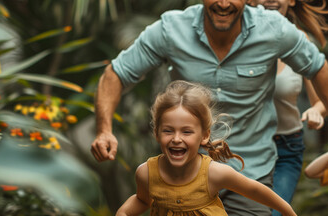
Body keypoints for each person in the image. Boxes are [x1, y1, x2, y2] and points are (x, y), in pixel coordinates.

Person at [91, 0, 328, 214]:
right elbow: (116, 73)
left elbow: (319, 69)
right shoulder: (171, 29)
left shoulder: (273, 30)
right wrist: (104, 129)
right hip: (183, 177)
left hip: (250, 172)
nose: (224, 2)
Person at [115, 81, 297, 216]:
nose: (176, 139)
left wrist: (287, 210)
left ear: (204, 136)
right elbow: (142, 200)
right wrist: (123, 213)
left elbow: (254, 190)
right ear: (156, 133)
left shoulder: (214, 173)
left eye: (187, 132)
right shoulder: (146, 173)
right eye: (168, 131)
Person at [249, 0, 328, 213]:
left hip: (285, 149)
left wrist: (315, 112)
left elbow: (322, 101)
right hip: (244, 146)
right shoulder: (237, 38)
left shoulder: (300, 41)